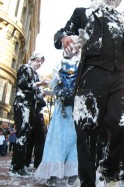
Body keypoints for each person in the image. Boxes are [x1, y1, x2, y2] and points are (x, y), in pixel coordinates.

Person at [54, 0, 124, 186]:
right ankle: (87, 182)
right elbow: (62, 33)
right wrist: (64, 39)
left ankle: (109, 167)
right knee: (87, 130)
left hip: (121, 77)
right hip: (91, 73)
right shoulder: (83, 12)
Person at [35, 36, 79, 187]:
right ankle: (53, 173)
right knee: (57, 140)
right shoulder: (60, 64)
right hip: (62, 110)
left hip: (76, 109)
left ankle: (72, 172)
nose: (75, 49)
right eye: (72, 46)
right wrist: (53, 92)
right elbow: (55, 85)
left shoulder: (83, 64)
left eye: (77, 47)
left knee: (75, 140)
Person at [9, 52, 48, 176]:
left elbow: (37, 94)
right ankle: (17, 167)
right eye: (38, 60)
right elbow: (22, 84)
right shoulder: (24, 68)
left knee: (25, 134)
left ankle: (19, 165)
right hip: (21, 104)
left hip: (30, 107)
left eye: (41, 62)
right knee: (22, 133)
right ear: (32, 59)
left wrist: (46, 93)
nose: (39, 63)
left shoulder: (36, 74)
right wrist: (38, 84)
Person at [25, 97, 46, 169]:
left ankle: (27, 162)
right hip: (36, 119)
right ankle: (37, 163)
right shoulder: (36, 96)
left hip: (29, 119)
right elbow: (43, 103)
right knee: (39, 143)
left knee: (29, 143)